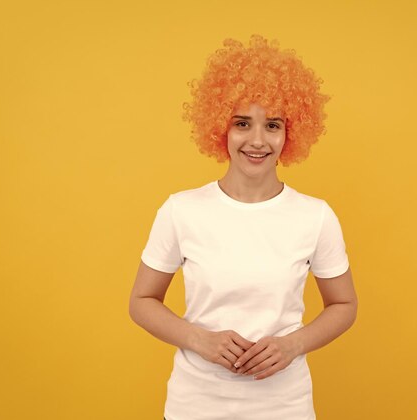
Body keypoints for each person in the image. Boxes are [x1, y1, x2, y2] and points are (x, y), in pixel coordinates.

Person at [129, 35, 357, 420]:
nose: (257, 140)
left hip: (283, 407)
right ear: (221, 128)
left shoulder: (315, 216)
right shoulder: (181, 210)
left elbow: (345, 304)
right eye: (242, 123)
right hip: (194, 406)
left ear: (290, 133)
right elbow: (141, 301)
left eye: (272, 125)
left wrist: (293, 345)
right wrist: (198, 338)